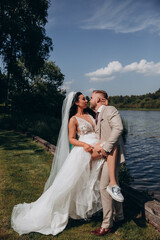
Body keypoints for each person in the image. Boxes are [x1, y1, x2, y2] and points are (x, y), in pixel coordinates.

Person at [11, 92, 105, 236]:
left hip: (97, 148)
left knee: (90, 180)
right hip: (84, 150)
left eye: (86, 98)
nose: (86, 100)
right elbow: (72, 139)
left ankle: (89, 211)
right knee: (72, 183)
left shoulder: (91, 115)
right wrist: (84, 145)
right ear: (76, 102)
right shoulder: (73, 119)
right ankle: (60, 210)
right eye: (83, 99)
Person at [90, 90, 125, 236]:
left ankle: (107, 224)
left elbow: (118, 128)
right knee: (111, 185)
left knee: (104, 187)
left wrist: (106, 147)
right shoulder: (97, 115)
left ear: (99, 99)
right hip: (106, 156)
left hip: (113, 154)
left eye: (91, 97)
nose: (89, 99)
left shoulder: (110, 109)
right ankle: (120, 216)